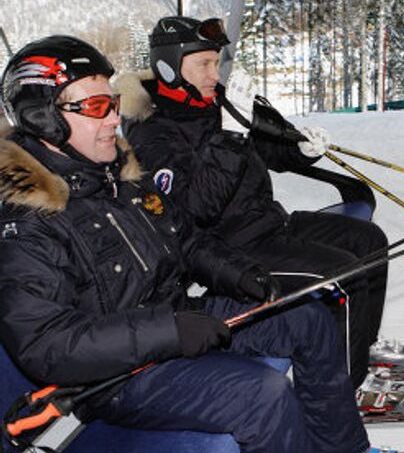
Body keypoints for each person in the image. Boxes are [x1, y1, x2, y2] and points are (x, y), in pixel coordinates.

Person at [0, 35, 369, 453]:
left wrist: (240, 273)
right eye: (96, 108)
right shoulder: (28, 218)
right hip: (116, 375)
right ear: (43, 117)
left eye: (114, 104)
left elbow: (185, 239)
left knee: (308, 318)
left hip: (171, 320)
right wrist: (169, 331)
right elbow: (46, 344)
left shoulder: (117, 175)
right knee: (262, 395)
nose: (112, 121)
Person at [118, 16, 391, 389]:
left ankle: (354, 349)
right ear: (169, 67)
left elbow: (274, 154)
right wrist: (231, 137)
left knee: (369, 241)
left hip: (269, 225)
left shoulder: (217, 104)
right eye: (204, 64)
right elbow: (197, 210)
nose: (214, 73)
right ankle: (338, 389)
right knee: (346, 275)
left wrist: (300, 149)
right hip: (229, 250)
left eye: (216, 62)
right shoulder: (154, 135)